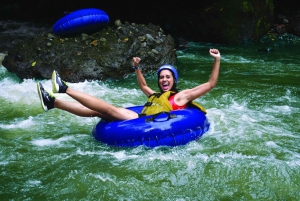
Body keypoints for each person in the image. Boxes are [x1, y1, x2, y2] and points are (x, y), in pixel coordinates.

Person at [37, 49, 221, 121]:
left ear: (174, 80)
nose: (164, 80)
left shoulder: (183, 96)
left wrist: (217, 59)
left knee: (108, 109)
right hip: (140, 117)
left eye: (168, 77)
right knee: (97, 111)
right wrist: (137, 67)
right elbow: (143, 86)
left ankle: (64, 88)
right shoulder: (156, 96)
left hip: (142, 122)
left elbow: (211, 83)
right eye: (161, 77)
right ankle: (53, 103)